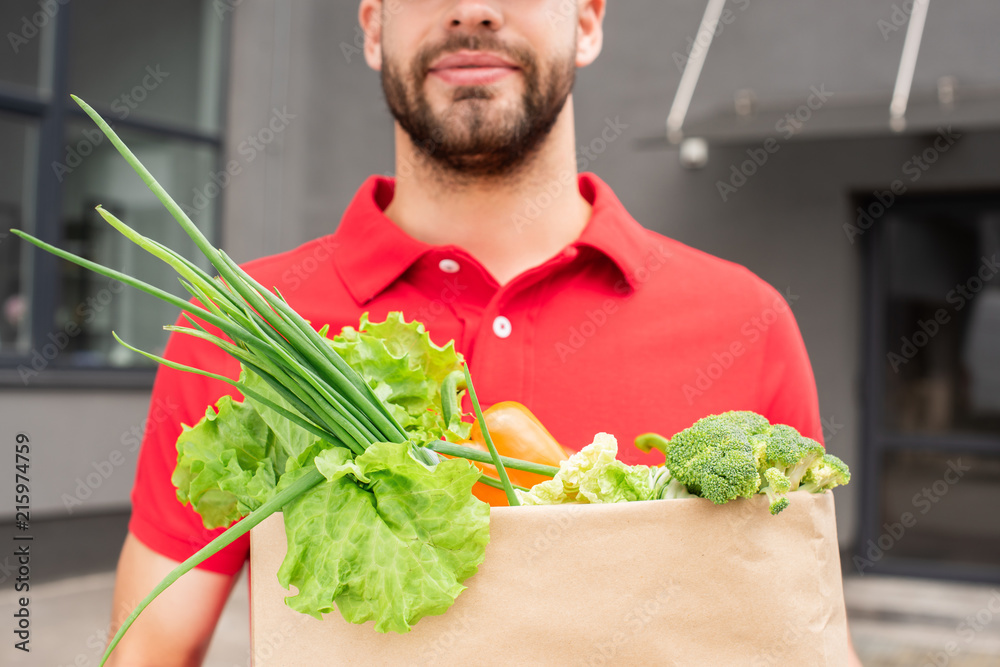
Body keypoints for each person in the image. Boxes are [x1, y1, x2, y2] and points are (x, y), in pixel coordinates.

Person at [106, 1, 863, 664]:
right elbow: (149, 650)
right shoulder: (249, 330)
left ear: (589, 19)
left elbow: (810, 641)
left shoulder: (745, 324)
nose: (471, 10)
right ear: (372, 27)